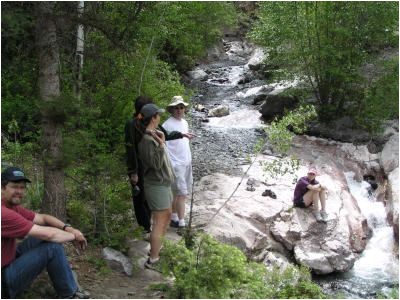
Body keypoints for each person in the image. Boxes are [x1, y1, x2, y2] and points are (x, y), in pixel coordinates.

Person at [1, 167, 88, 299]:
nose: (19, 191)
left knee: (46, 236)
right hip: (3, 281)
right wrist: (74, 236)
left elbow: (43, 218)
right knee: (52, 246)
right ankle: (69, 295)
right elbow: (49, 235)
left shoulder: (12, 207)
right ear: (2, 187)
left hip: (9, 259)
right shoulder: (3, 213)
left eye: (22, 187)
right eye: (14, 187)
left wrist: (69, 228)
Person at [124, 96, 192, 235]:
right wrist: (133, 171)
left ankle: (150, 224)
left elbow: (165, 135)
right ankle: (144, 227)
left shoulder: (152, 124)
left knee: (149, 197)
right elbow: (130, 148)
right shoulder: (133, 124)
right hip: (140, 165)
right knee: (139, 196)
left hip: (151, 163)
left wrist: (181, 134)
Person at [137, 104, 175, 269]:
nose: (160, 117)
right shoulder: (146, 140)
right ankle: (153, 260)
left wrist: (161, 142)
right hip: (156, 185)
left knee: (167, 215)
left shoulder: (152, 135)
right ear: (153, 118)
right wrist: (161, 145)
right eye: (158, 115)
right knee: (159, 220)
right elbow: (155, 165)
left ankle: (157, 249)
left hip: (163, 183)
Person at [162, 96, 193, 234]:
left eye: (181, 107)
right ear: (172, 110)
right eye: (176, 107)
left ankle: (174, 217)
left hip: (186, 162)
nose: (179, 110)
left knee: (177, 193)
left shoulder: (184, 123)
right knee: (182, 194)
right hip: (176, 164)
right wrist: (170, 163)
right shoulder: (167, 125)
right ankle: (182, 223)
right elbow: (163, 145)